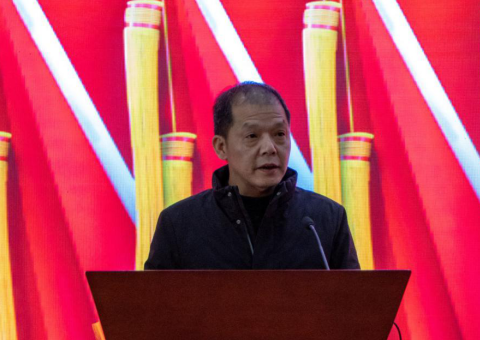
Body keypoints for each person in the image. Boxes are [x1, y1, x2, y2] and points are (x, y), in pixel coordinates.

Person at [144, 82, 359, 270]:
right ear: (221, 147)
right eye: (252, 136)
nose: (269, 148)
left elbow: (353, 302)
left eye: (279, 134)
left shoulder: (325, 220)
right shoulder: (179, 224)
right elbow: (153, 303)